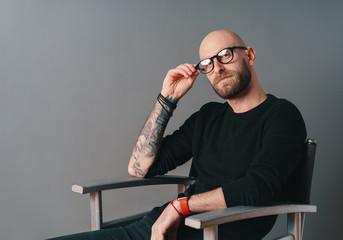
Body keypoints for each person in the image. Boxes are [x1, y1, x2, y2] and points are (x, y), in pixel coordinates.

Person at [49, 30, 306, 240]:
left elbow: (258, 188)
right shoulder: (208, 116)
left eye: (224, 55)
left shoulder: (281, 116)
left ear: (249, 55)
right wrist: (167, 99)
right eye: (207, 63)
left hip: (213, 232)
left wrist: (179, 206)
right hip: (159, 229)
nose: (216, 68)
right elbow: (141, 168)